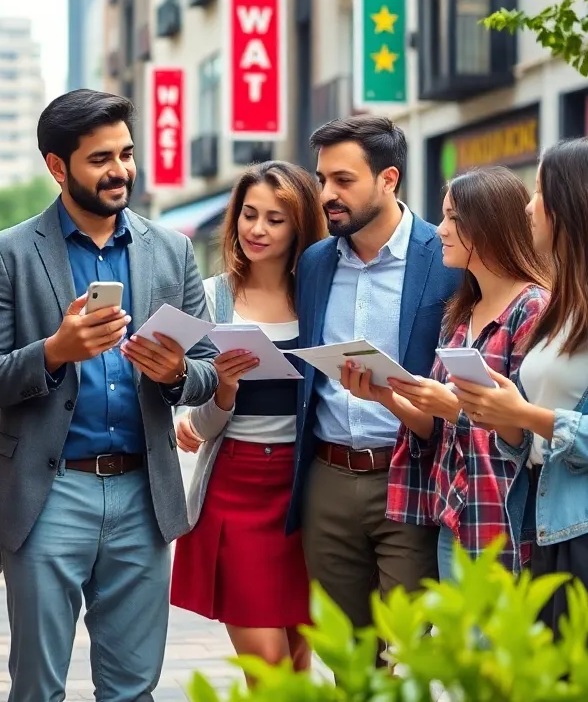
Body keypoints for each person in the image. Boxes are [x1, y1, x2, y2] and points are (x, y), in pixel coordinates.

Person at [0, 89, 218, 701]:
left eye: (125, 154)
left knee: (133, 688)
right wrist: (53, 352)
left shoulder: (172, 250)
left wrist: (175, 373)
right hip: (48, 493)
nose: (120, 170)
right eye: (100, 159)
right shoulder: (8, 253)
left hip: (142, 494)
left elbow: (207, 369)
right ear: (58, 166)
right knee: (37, 688)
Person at [452, 137, 588, 662]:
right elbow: (535, 437)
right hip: (545, 526)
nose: (529, 207)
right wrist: (503, 416)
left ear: (576, 203)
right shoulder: (567, 302)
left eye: (539, 192)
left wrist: (527, 414)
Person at [287, 115, 461, 634]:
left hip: (410, 474)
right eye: (323, 179)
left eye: (343, 180)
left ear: (388, 179)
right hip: (327, 478)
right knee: (347, 654)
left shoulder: (444, 257)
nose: (327, 194)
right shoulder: (314, 262)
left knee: (407, 653)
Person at [345, 166, 548, 579]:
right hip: (454, 516)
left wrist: (453, 408)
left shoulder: (532, 308)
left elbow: (526, 435)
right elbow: (436, 431)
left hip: (503, 523)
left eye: (453, 217)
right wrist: (388, 396)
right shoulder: (461, 311)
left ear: (488, 225)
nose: (440, 229)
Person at [171, 161, 325, 678]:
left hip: (305, 491)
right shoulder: (211, 298)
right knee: (269, 668)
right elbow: (200, 419)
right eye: (249, 214)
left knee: (298, 664)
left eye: (275, 220)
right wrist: (224, 390)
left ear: (299, 226)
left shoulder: (320, 298)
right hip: (234, 487)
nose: (257, 230)